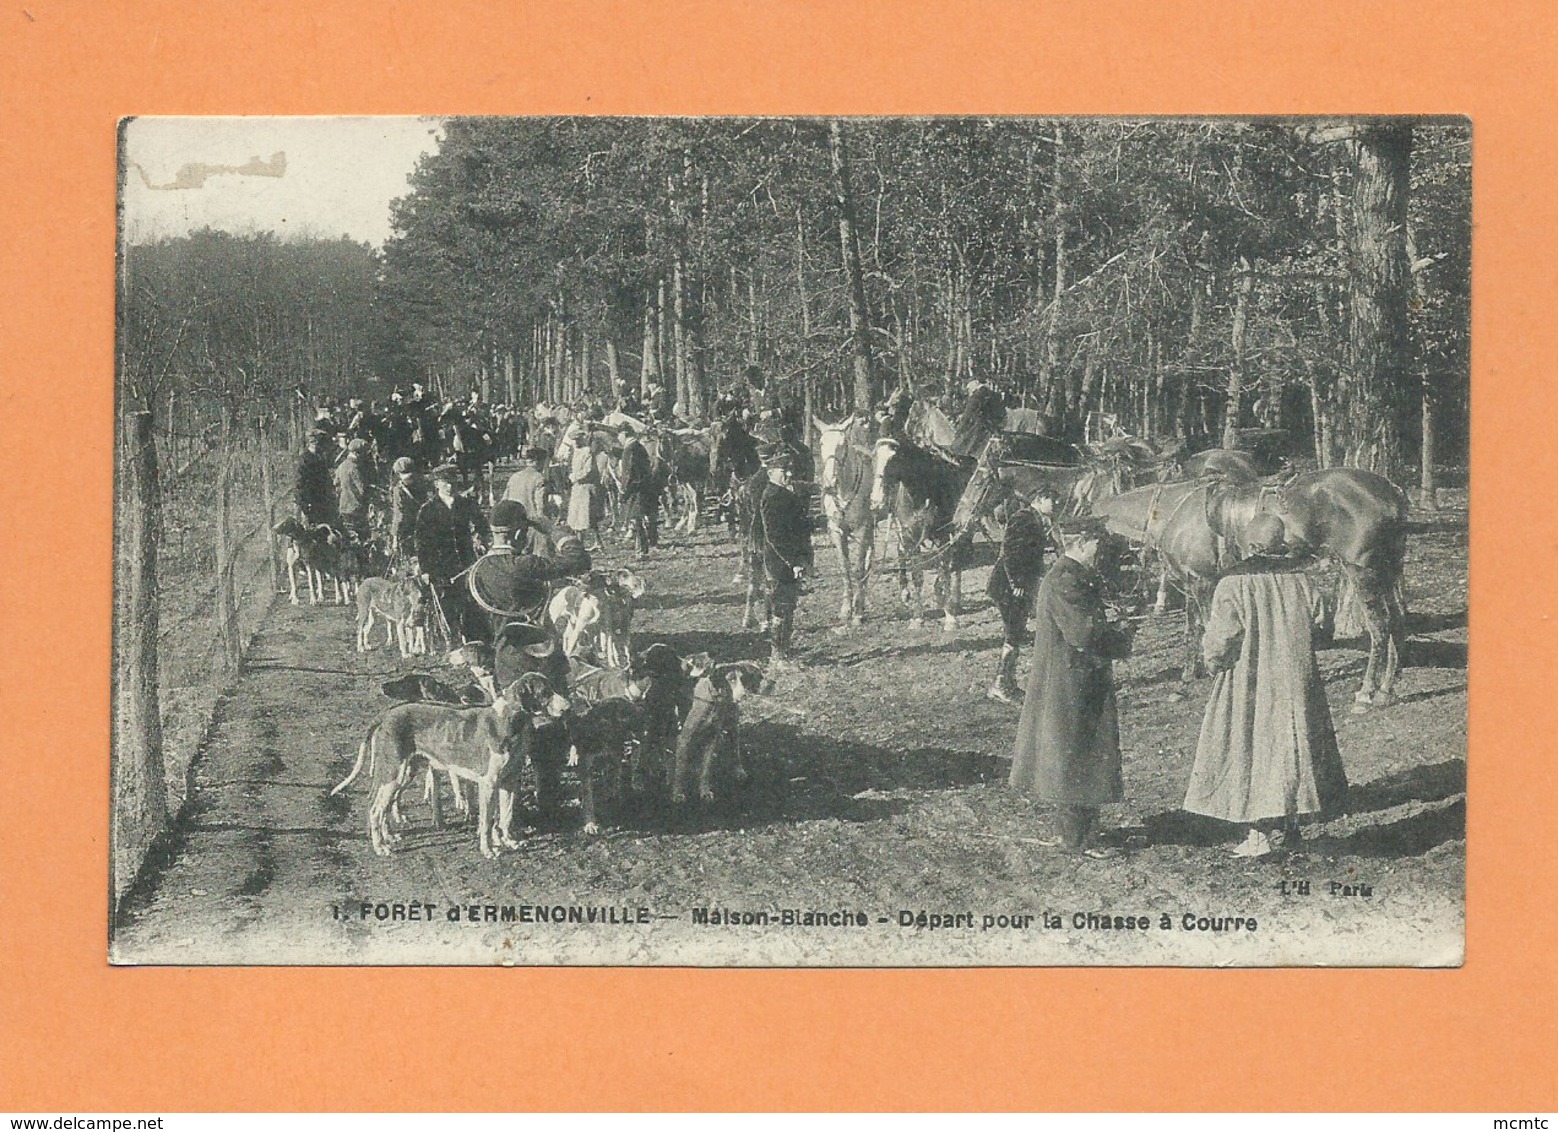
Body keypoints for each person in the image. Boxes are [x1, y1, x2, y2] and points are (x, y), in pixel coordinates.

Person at [1183, 514, 1348, 857]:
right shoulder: (1300, 579)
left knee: (1252, 749)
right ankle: (1290, 829)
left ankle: (1258, 835)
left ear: (1252, 545)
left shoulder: (1233, 584)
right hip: (1295, 678)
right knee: (1291, 745)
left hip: (1250, 680)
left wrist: (1213, 663)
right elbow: (1322, 621)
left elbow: (1220, 639)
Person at [1008, 515, 1133, 857]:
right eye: (1096, 542)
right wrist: (1122, 635)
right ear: (1080, 543)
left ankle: (1081, 834)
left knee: (1079, 751)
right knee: (1076, 752)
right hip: (1072, 680)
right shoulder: (1066, 580)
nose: (1100, 548)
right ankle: (1078, 840)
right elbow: (1083, 634)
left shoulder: (1075, 576)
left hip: (1076, 677)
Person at [986, 489, 1056, 703]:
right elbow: (1010, 552)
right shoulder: (1023, 519)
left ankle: (1007, 682)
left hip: (1019, 585)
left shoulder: (1034, 519)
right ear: (1040, 499)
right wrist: (1016, 582)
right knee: (1013, 633)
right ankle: (1000, 684)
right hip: (1009, 586)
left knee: (1016, 633)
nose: (1055, 505)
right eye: (1053, 500)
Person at [414, 465, 490, 647]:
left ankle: (472, 641)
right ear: (437, 484)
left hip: (466, 562)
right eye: (445, 483)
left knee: (469, 602)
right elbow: (422, 542)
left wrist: (480, 538)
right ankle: (453, 642)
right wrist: (426, 569)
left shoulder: (466, 504)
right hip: (441, 566)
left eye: (452, 483)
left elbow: (482, 524)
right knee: (447, 604)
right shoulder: (428, 510)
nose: (449, 487)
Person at [754, 449, 814, 669]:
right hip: (779, 562)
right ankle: (778, 657)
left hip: (788, 561)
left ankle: (783, 653)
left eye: (789, 469)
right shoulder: (771, 496)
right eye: (783, 470)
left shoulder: (784, 494)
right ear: (771, 472)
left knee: (787, 607)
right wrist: (794, 561)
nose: (788, 474)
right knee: (781, 607)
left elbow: (797, 526)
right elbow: (775, 536)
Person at [504, 447, 555, 556]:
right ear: (539, 462)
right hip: (532, 524)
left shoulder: (514, 477)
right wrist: (545, 524)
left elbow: (505, 500)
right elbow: (540, 505)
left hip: (514, 522)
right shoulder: (539, 478)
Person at [616, 423, 655, 558]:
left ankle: (641, 551)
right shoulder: (639, 447)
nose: (618, 437)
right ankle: (643, 549)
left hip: (635, 490)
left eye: (619, 434)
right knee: (639, 519)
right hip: (644, 487)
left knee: (637, 520)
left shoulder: (629, 450)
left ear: (625, 434)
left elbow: (629, 473)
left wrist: (624, 492)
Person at [566, 424, 604, 551]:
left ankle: (597, 540)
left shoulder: (587, 451)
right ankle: (579, 541)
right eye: (574, 440)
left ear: (582, 439)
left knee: (587, 516)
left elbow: (588, 470)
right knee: (576, 515)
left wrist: (575, 477)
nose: (576, 442)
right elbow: (571, 467)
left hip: (586, 486)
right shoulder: (574, 452)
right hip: (577, 487)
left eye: (578, 440)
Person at [295, 430, 339, 529]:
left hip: (324, 498)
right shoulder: (304, 459)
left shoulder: (321, 456)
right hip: (312, 500)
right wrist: (305, 504)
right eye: (313, 442)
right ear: (309, 443)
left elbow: (326, 476)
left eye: (317, 442)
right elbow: (300, 483)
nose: (316, 444)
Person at [387, 456, 425, 566]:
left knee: (412, 559)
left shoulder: (398, 490)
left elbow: (399, 515)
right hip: (426, 523)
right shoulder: (423, 483)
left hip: (409, 528)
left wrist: (394, 537)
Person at [333, 438, 371, 542]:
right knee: (362, 539)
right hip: (356, 509)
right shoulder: (355, 468)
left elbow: (336, 484)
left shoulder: (341, 466)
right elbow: (362, 490)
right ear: (358, 453)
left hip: (344, 507)